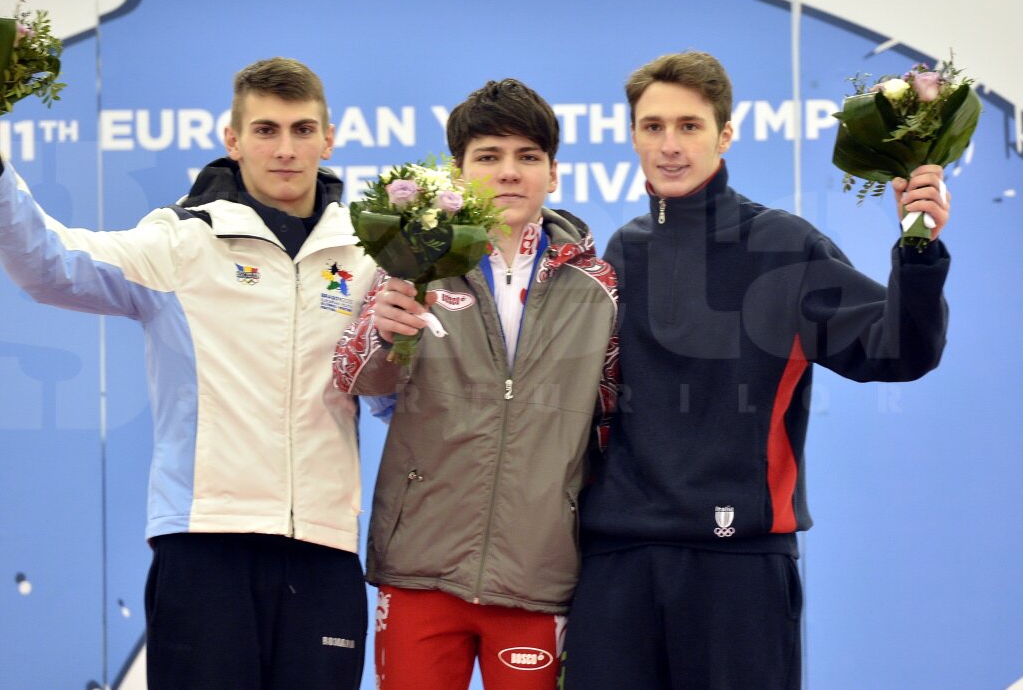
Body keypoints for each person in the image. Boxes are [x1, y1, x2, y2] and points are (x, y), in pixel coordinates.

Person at [0, 57, 376, 690]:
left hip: (324, 545)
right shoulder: (181, 244)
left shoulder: (369, 256)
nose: (286, 149)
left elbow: (390, 393)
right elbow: (49, 265)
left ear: (329, 139)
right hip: (205, 539)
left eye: (303, 130)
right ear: (233, 139)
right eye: (265, 130)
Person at [560, 50, 952, 689]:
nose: (669, 145)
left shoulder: (785, 246)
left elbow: (897, 351)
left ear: (725, 134)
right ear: (632, 135)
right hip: (617, 565)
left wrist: (918, 247)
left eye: (689, 126)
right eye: (653, 126)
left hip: (738, 569)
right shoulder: (616, 255)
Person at [333, 79, 619, 690]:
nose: (509, 173)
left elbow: (612, 419)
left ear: (554, 172)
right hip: (419, 565)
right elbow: (355, 377)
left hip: (538, 574)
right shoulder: (415, 260)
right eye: (488, 157)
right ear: (459, 175)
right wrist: (383, 333)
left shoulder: (600, 287)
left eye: (527, 157)